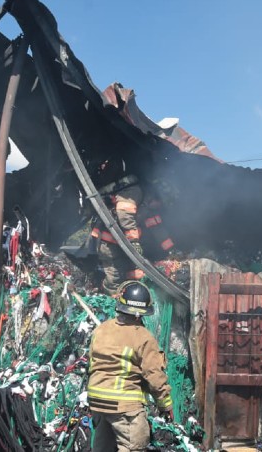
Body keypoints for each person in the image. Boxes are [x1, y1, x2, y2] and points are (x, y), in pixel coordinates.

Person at [87, 281, 173, 452]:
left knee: (103, 447)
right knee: (134, 446)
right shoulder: (143, 336)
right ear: (140, 314)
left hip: (97, 399)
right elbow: (154, 375)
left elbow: (92, 363)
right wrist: (166, 405)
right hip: (123, 403)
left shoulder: (101, 329)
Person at [90, 162, 145, 294]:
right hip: (110, 244)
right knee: (115, 277)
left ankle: (131, 298)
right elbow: (124, 213)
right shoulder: (131, 190)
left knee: (131, 273)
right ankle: (114, 304)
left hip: (114, 242)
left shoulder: (116, 188)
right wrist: (134, 242)